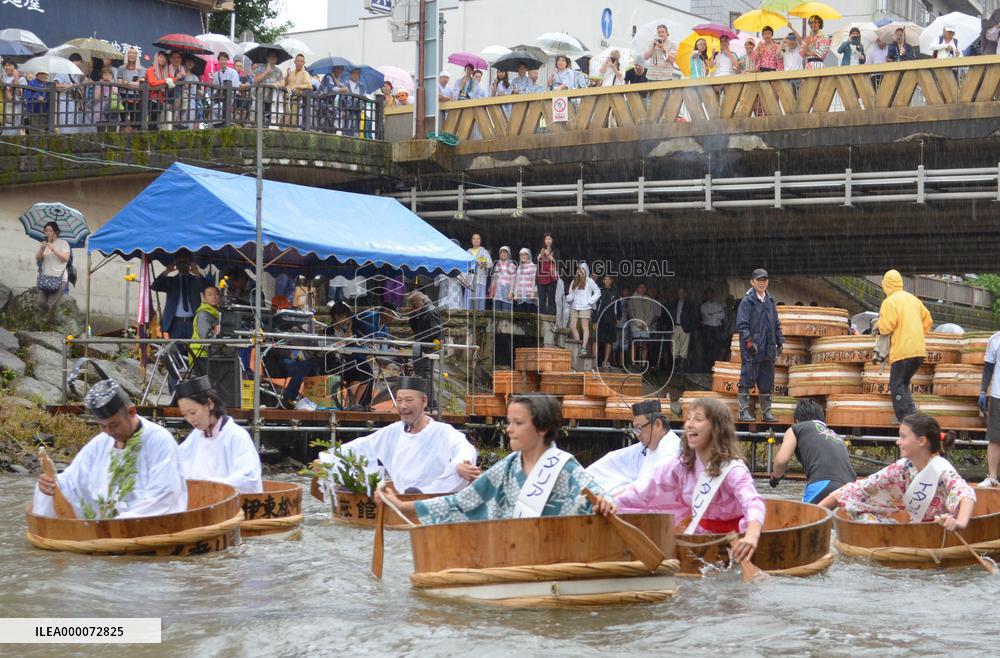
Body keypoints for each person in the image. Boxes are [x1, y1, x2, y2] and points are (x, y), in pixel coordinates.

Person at [380, 394, 615, 523]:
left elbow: (596, 493)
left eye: (518, 423)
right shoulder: (508, 467)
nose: (509, 430)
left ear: (542, 428)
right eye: (509, 422)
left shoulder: (563, 465)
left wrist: (605, 502)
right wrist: (403, 506)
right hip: (511, 558)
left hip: (554, 560)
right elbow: (462, 502)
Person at [616, 397, 765, 563]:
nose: (689, 424)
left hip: (737, 541)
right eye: (688, 419)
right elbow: (646, 489)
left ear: (717, 428)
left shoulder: (733, 468)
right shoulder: (682, 464)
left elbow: (753, 502)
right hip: (699, 538)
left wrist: (751, 536)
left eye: (698, 419)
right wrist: (611, 502)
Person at [32, 379, 187, 519]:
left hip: (147, 520)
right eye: (102, 426)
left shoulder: (160, 440)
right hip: (107, 519)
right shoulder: (101, 442)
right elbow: (73, 481)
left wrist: (124, 520)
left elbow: (165, 494)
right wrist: (52, 483)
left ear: (131, 412)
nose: (109, 431)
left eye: (114, 425)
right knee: (47, 492)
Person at [316, 377, 479, 495]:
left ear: (424, 401)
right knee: (347, 487)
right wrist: (328, 461)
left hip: (432, 495)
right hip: (401, 496)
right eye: (399, 400)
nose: (403, 406)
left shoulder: (442, 431)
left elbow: (464, 448)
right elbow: (362, 447)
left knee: (417, 492)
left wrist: (459, 465)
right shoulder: (393, 432)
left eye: (409, 400)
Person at [819, 414, 975, 529]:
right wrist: (818, 512)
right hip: (915, 531)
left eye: (902, 437)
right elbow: (858, 488)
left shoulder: (942, 469)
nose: (897, 441)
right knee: (865, 518)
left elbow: (965, 493)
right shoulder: (903, 467)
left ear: (921, 441)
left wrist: (960, 522)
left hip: (941, 532)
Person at [175, 376, 262, 493]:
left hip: (229, 506)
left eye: (193, 412)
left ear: (210, 404)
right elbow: (177, 463)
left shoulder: (236, 435)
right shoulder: (196, 436)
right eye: (185, 415)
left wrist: (210, 485)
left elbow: (248, 478)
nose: (190, 419)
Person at [770, 399, 856, 504]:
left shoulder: (797, 428)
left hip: (823, 484)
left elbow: (781, 460)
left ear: (797, 420)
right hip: (851, 489)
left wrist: (776, 476)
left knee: (804, 519)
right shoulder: (836, 436)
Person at [587, 399, 681, 494]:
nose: (637, 434)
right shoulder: (648, 445)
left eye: (639, 428)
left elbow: (651, 485)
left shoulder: (671, 450)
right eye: (635, 429)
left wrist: (617, 496)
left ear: (657, 424)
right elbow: (616, 459)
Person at [877, 269, 932, 422]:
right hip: (919, 350)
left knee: (896, 385)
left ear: (886, 285)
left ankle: (905, 418)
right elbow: (928, 321)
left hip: (903, 351)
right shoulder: (913, 299)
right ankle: (911, 415)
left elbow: (886, 327)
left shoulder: (890, 302)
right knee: (903, 383)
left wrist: (879, 325)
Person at [736, 268, 784, 422]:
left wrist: (780, 341)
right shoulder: (747, 301)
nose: (762, 283)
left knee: (767, 381)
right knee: (747, 379)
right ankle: (743, 411)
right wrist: (750, 344)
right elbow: (742, 326)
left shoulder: (770, 300)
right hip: (752, 349)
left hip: (768, 348)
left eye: (764, 280)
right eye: (759, 280)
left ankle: (767, 412)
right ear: (752, 282)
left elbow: (776, 323)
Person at [151, 252, 211, 340]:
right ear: (176, 264)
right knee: (176, 351)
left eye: (185, 262)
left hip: (193, 321)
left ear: (190, 263)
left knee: (192, 350)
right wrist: (166, 271)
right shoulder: (170, 281)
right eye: (180, 262)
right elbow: (154, 286)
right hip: (175, 323)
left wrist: (197, 273)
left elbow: (208, 289)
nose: (183, 265)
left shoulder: (196, 280)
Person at [407, 291, 442, 410]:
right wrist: (412, 316)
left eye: (415, 304)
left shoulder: (430, 310)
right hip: (421, 346)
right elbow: (415, 329)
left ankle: (431, 403)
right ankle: (428, 403)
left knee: (426, 374)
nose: (414, 306)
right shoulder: (422, 311)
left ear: (421, 301)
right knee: (421, 374)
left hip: (428, 347)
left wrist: (423, 340)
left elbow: (436, 331)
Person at [34, 220, 71, 314]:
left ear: (56, 232)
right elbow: (38, 258)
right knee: (40, 302)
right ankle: (43, 321)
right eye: (46, 231)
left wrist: (54, 249)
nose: (48, 233)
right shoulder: (45, 243)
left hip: (59, 278)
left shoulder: (64, 243)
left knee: (50, 304)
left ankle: (47, 324)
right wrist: (42, 249)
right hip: (46, 277)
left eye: (50, 231)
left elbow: (66, 258)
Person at [565, 263, 600, 358]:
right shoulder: (574, 281)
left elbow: (598, 292)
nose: (579, 272)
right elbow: (571, 294)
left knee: (585, 327)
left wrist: (590, 300)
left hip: (585, 307)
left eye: (582, 270)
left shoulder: (589, 281)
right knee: (572, 326)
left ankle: (583, 347)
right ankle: (579, 344)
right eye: (578, 270)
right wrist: (566, 298)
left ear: (585, 271)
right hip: (575, 306)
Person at [980, 331, 1000, 486]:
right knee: (994, 437)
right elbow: (988, 368)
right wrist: (982, 391)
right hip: (997, 395)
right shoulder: (995, 340)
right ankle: (992, 477)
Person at [189, 285, 221, 369]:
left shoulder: (217, 313)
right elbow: (206, 339)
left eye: (216, 294)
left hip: (209, 354)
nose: (214, 297)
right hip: (201, 355)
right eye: (210, 295)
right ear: (204, 298)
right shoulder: (203, 314)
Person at [669, 287, 698, 376]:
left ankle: (681, 367)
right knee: (674, 347)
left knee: (684, 348)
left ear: (685, 294)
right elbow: (670, 314)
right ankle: (674, 367)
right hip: (675, 326)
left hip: (684, 328)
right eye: (679, 292)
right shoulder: (674, 303)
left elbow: (694, 317)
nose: (680, 294)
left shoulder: (690, 305)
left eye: (682, 292)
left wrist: (690, 327)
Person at [629, 282, 657, 367]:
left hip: (646, 326)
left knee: (644, 344)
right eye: (640, 287)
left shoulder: (649, 299)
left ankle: (643, 363)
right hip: (635, 326)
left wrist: (645, 324)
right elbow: (631, 313)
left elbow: (651, 314)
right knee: (635, 343)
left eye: (643, 287)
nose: (642, 289)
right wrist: (638, 324)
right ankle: (633, 363)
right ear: (637, 288)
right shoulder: (632, 299)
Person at [210, 51, 242, 123]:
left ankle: (223, 122)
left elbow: (235, 87)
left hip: (230, 98)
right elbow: (215, 88)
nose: (223, 61)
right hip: (219, 98)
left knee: (217, 109)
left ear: (227, 60)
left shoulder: (233, 72)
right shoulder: (216, 74)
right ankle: (218, 124)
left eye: (225, 59)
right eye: (221, 59)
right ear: (218, 61)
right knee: (215, 109)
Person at [595, 275, 619, 368]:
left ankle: (605, 361)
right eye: (605, 279)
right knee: (597, 340)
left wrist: (618, 317)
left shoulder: (615, 292)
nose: (607, 281)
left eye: (609, 279)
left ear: (612, 281)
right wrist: (595, 320)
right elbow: (595, 306)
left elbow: (618, 305)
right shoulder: (599, 291)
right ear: (603, 281)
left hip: (611, 319)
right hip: (600, 319)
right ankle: (595, 360)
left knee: (609, 341)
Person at [252, 50, 283, 124]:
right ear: (267, 57)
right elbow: (255, 80)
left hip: (272, 97)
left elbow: (282, 82)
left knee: (269, 116)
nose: (273, 58)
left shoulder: (278, 71)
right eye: (271, 56)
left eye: (275, 56)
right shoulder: (260, 68)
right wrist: (266, 72)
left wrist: (279, 84)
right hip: (260, 95)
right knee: (258, 116)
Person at [699, 287, 726, 370]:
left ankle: (714, 366)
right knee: (707, 348)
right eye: (708, 294)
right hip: (707, 329)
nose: (710, 296)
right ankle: (707, 367)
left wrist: (713, 315)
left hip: (716, 329)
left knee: (716, 349)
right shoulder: (703, 306)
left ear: (713, 295)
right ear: (706, 295)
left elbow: (722, 316)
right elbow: (706, 316)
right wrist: (716, 314)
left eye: (711, 294)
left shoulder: (718, 305)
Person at [283, 54, 312, 127]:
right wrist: (287, 75)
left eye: (301, 61)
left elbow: (309, 86)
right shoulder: (291, 72)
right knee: (284, 120)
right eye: (298, 61)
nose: (299, 63)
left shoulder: (305, 73)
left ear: (304, 63)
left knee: (293, 120)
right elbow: (285, 84)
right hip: (286, 98)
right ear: (294, 62)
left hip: (295, 99)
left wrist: (298, 86)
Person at [465, 233, 492, 310]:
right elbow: (464, 266)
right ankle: (468, 319)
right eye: (474, 238)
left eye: (478, 239)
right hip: (469, 281)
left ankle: (478, 319)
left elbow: (490, 263)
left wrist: (482, 262)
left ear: (480, 240)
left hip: (480, 280)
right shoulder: (468, 252)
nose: (476, 240)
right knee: (469, 302)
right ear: (471, 240)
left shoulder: (484, 251)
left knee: (478, 302)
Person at [535, 233, 559, 317]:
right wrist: (541, 254)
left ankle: (552, 319)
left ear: (552, 240)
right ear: (544, 241)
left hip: (551, 278)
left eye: (550, 239)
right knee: (542, 300)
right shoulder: (541, 250)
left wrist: (548, 254)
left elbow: (557, 262)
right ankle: (542, 318)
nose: (548, 241)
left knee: (551, 300)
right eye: (546, 239)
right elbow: (536, 260)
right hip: (541, 278)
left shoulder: (555, 251)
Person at [489, 246, 516, 312]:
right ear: (500, 254)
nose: (503, 254)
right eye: (502, 252)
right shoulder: (497, 264)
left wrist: (511, 292)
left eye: (505, 252)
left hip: (507, 291)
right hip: (497, 291)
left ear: (508, 254)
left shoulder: (512, 265)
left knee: (506, 312)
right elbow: (494, 278)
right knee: (496, 312)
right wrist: (491, 291)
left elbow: (513, 280)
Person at [513, 248, 537, 312]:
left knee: (531, 314)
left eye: (525, 254)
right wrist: (515, 294)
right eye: (521, 255)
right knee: (522, 314)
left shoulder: (532, 266)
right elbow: (517, 282)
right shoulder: (519, 267)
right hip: (521, 295)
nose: (523, 256)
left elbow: (534, 281)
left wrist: (533, 292)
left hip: (530, 294)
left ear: (528, 256)